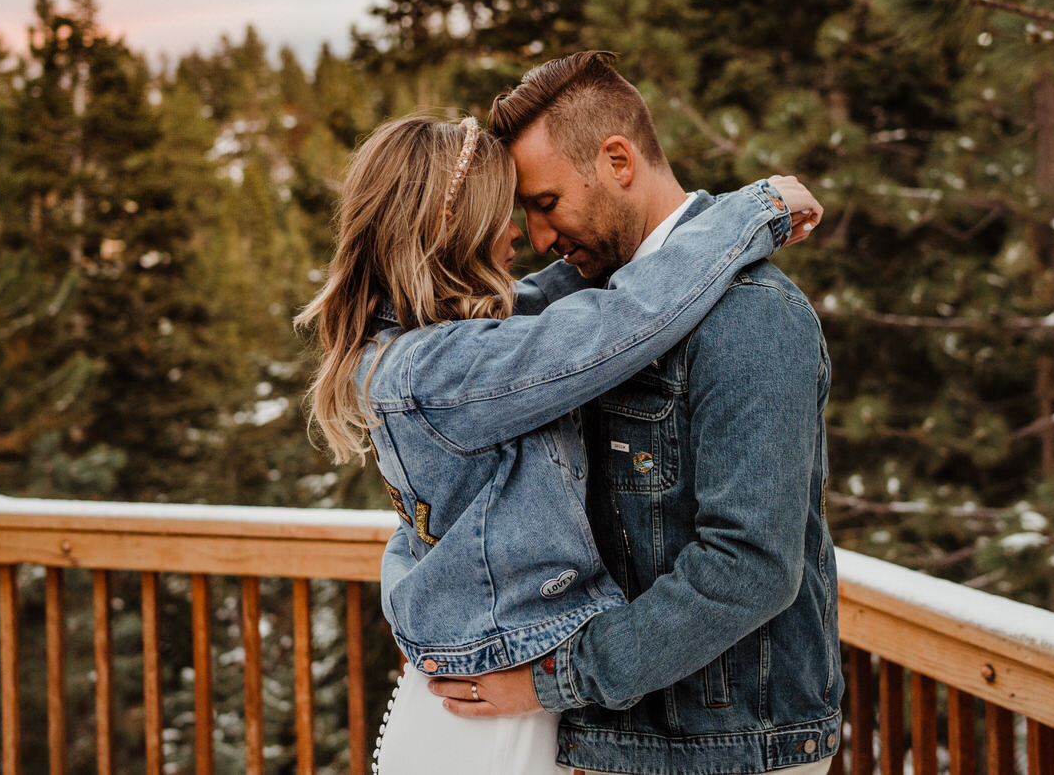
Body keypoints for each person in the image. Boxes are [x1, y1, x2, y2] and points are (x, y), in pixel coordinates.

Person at [296, 112, 822, 775]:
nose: (522, 233)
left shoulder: (428, 344)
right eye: (509, 211)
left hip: (492, 690)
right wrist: (757, 209)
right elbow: (618, 320)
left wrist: (672, 224)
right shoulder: (442, 368)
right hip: (487, 710)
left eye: (540, 204)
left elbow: (563, 291)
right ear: (452, 231)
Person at [427, 51, 843, 775]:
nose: (537, 235)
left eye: (546, 202)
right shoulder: (590, 308)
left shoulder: (752, 316)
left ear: (618, 160)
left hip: (731, 750)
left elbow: (749, 564)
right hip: (618, 738)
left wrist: (549, 680)